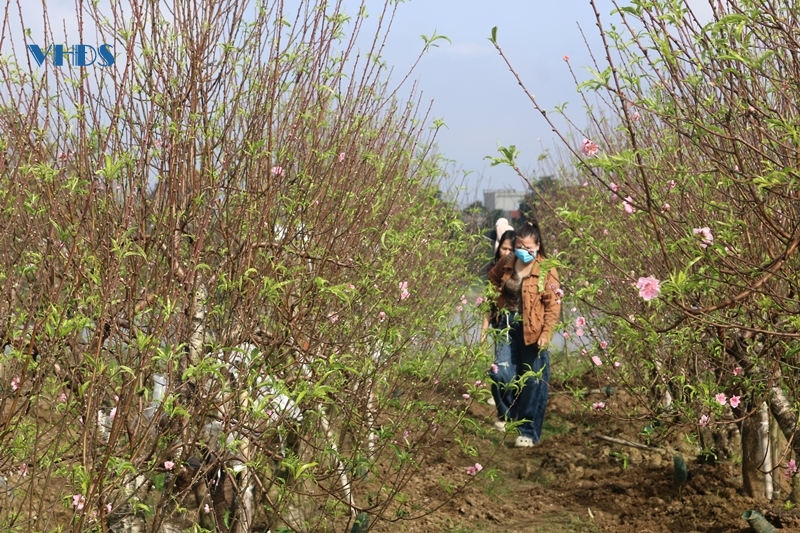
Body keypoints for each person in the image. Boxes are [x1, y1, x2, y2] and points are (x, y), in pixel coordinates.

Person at [487, 221, 561, 447]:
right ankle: (511, 412)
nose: (524, 251)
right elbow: (492, 279)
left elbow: (553, 305)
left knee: (532, 383)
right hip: (507, 325)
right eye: (520, 246)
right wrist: (492, 307)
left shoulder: (547, 269)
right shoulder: (507, 262)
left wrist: (546, 334)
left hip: (533, 330)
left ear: (537, 246)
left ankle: (527, 432)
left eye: (529, 247)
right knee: (501, 373)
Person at [481, 229, 516, 417]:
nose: (507, 252)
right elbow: (488, 302)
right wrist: (483, 332)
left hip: (518, 327)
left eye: (511, 248)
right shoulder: (493, 271)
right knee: (499, 369)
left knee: (514, 371)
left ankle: (510, 407)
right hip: (500, 325)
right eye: (504, 248)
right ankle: (503, 410)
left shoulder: (521, 269)